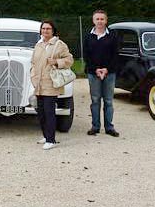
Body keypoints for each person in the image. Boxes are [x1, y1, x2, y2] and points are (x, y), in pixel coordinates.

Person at [30, 20, 74, 150]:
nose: (45, 31)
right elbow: (33, 62)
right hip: (39, 84)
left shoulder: (60, 45)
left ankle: (51, 139)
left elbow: (69, 60)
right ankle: (46, 135)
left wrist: (56, 62)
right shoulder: (38, 45)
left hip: (51, 83)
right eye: (43, 29)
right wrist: (32, 75)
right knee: (41, 112)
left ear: (53, 30)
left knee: (49, 112)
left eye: (48, 29)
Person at [83, 9, 120, 137]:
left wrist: (106, 69)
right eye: (97, 19)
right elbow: (86, 55)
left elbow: (115, 55)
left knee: (109, 101)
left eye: (102, 19)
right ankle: (95, 126)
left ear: (106, 20)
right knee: (95, 100)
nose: (100, 21)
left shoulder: (113, 36)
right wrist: (96, 70)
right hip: (93, 73)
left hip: (109, 73)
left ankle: (109, 127)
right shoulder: (88, 36)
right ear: (93, 20)